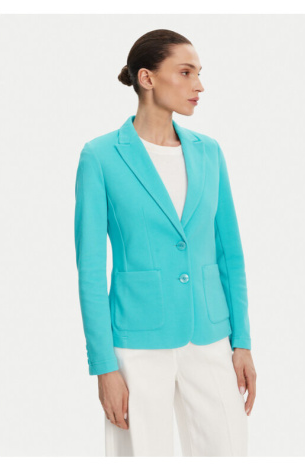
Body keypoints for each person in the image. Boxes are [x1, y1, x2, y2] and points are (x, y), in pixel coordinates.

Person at [74, 29, 257, 457]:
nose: (199, 85)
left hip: (210, 335)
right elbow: (90, 270)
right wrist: (104, 366)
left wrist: (242, 342)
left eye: (199, 73)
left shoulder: (209, 152)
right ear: (147, 78)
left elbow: (230, 254)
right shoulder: (100, 157)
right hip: (136, 340)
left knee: (228, 452)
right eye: (186, 72)